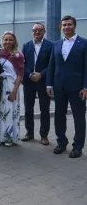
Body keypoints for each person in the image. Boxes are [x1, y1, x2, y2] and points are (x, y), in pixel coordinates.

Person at [47, 15, 87, 159]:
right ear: (61, 27)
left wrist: (85, 87)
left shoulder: (84, 43)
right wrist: (49, 84)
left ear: (74, 26)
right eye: (64, 25)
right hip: (59, 87)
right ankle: (61, 142)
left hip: (77, 88)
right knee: (59, 116)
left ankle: (78, 146)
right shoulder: (56, 44)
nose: (66, 27)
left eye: (69, 24)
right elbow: (52, 65)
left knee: (79, 118)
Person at [0, 32, 24, 147]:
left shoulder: (18, 55)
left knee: (9, 112)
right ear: (2, 40)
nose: (8, 42)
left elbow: (20, 74)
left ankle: (8, 137)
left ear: (14, 41)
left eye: (10, 40)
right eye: (6, 39)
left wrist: (14, 91)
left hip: (11, 85)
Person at [22, 23, 53, 145]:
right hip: (29, 81)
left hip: (44, 81)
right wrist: (30, 74)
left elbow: (51, 64)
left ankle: (44, 135)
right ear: (32, 32)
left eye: (40, 30)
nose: (37, 32)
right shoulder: (26, 45)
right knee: (28, 107)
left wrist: (41, 74)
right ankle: (29, 132)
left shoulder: (50, 46)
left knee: (44, 108)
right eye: (35, 30)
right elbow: (23, 63)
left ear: (44, 31)